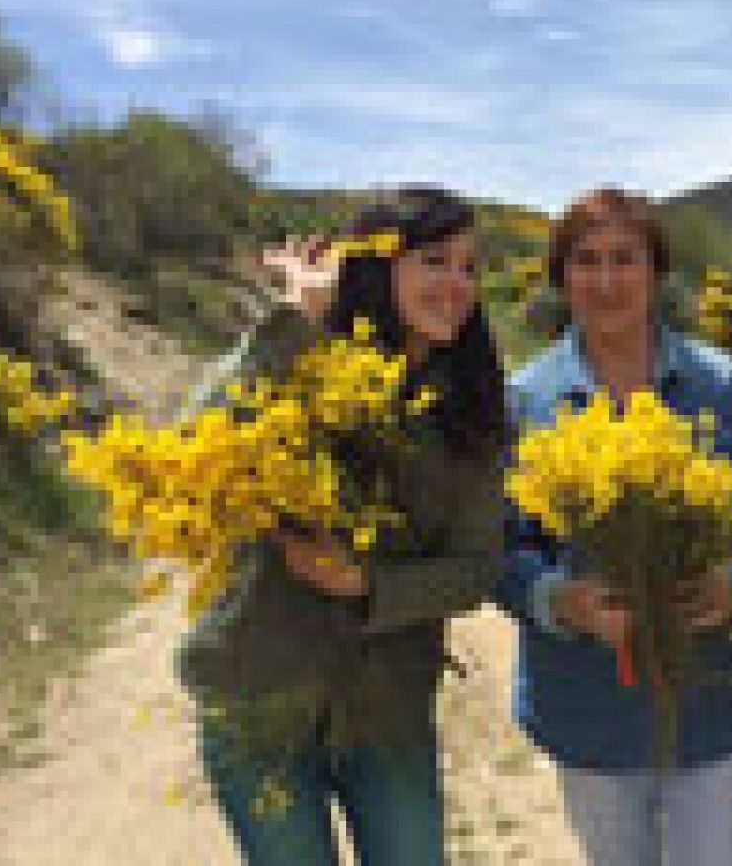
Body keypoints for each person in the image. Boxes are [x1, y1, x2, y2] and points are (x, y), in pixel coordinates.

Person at [181, 186, 513, 865]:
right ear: (374, 268)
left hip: (386, 710)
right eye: (434, 260)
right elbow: (196, 442)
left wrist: (369, 585)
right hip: (255, 692)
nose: (458, 284)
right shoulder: (295, 359)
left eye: (469, 267)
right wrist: (299, 311)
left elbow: (478, 568)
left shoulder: (473, 408)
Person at [494, 187, 732, 866]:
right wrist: (559, 601)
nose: (608, 280)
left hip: (710, 703)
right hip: (590, 712)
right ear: (561, 278)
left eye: (627, 259)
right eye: (586, 261)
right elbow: (499, 549)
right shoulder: (525, 399)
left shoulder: (721, 383)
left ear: (656, 272)